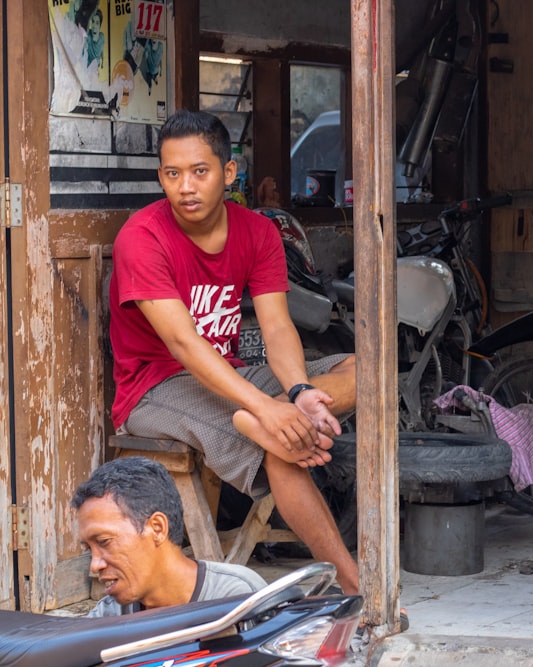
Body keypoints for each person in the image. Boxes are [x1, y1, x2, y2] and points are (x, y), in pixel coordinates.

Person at [108, 108, 360, 596]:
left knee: (366, 371)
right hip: (155, 388)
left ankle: (280, 417)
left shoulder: (258, 232)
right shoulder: (141, 238)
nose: (185, 187)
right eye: (172, 173)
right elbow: (183, 344)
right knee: (277, 445)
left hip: (231, 374)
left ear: (228, 173)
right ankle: (353, 586)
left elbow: (278, 326)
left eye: (199, 172)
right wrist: (264, 407)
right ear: (160, 175)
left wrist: (300, 391)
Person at [73, 456, 267, 617]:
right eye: (90, 550)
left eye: (104, 542)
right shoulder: (109, 617)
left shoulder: (237, 597)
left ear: (157, 528)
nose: (95, 565)